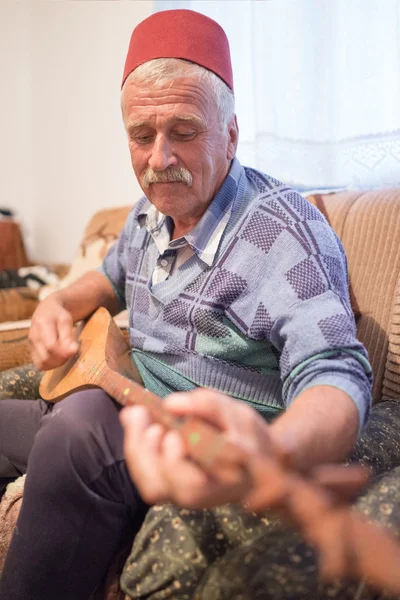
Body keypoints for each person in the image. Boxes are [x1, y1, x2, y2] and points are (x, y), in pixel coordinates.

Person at [0, 9, 373, 600]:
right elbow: (108, 278)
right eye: (141, 135)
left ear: (230, 134)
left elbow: (335, 369)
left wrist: (275, 451)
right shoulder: (147, 215)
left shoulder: (285, 232)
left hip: (175, 437)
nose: (158, 158)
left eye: (185, 131)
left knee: (75, 433)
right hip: (113, 397)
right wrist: (57, 303)